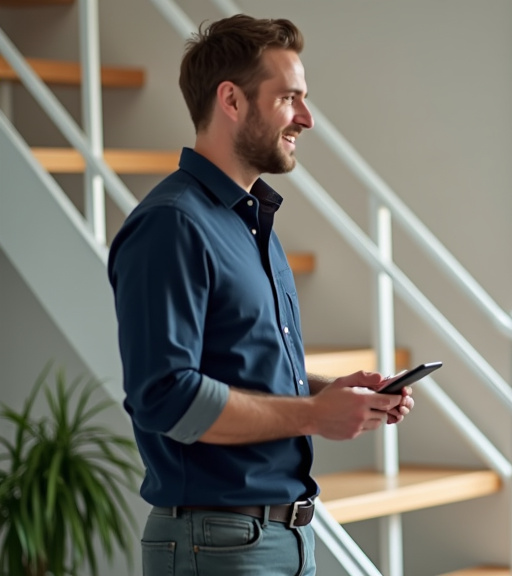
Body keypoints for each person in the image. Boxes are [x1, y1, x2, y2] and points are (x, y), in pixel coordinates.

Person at [107, 15, 414, 576]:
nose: (307, 118)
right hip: (215, 545)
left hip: (283, 536)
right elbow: (166, 397)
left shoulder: (251, 223)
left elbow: (242, 372)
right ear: (231, 100)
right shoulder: (171, 225)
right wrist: (315, 414)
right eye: (289, 98)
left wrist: (331, 394)